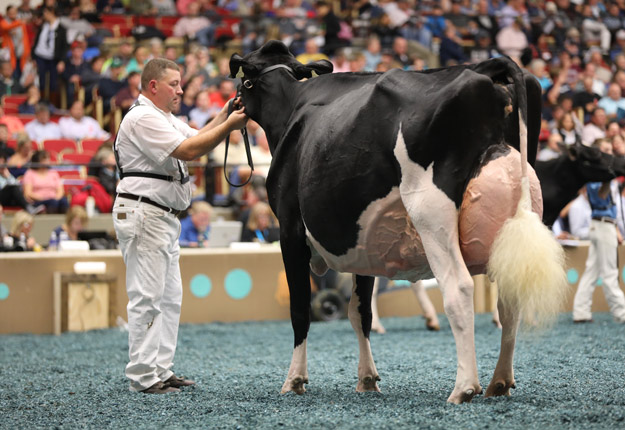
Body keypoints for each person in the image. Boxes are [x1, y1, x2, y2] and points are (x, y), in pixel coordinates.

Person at [113, 58, 247, 394]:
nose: (181, 90)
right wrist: (230, 125)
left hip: (162, 216)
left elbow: (200, 135)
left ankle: (160, 368)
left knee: (169, 297)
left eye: (181, 83)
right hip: (145, 214)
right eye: (174, 83)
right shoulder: (142, 117)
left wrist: (227, 111)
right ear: (153, 86)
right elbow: (190, 149)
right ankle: (143, 377)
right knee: (147, 297)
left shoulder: (164, 118)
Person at [572, 138, 625, 324]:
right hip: (602, 224)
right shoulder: (597, 175)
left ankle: (580, 312)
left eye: (609, 148)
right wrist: (609, 177)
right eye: (604, 149)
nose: (608, 152)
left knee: (591, 271)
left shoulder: (603, 174)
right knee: (610, 272)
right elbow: (601, 197)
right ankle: (621, 313)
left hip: (603, 224)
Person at [22, 149, 68, 214]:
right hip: (38, 201)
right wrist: (43, 198)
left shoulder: (53, 173)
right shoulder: (30, 173)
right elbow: (28, 193)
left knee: (63, 201)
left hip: (54, 198)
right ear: (37, 161)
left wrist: (56, 198)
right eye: (44, 160)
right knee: (53, 203)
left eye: (47, 159)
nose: (47, 161)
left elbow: (60, 190)